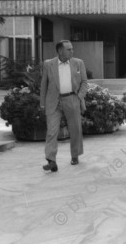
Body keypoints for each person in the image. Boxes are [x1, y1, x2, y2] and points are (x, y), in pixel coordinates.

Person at [40, 40, 88, 172]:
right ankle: (51, 160)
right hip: (53, 102)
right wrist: (42, 104)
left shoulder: (78, 63)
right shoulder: (48, 64)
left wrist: (78, 97)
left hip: (72, 99)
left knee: (76, 130)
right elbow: (44, 84)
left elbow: (84, 82)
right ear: (60, 51)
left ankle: (75, 155)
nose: (72, 51)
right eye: (69, 49)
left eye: (72, 49)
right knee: (52, 131)